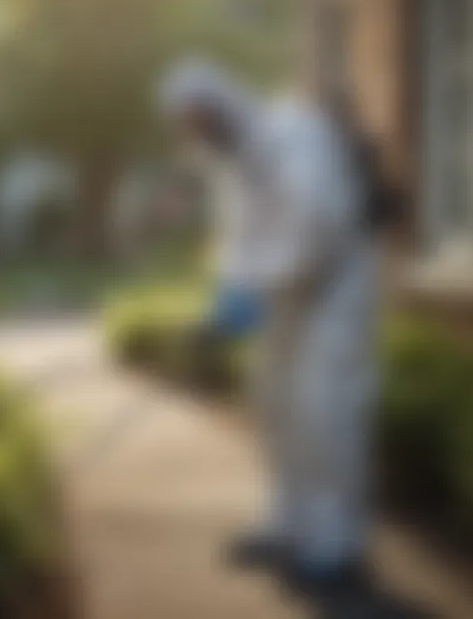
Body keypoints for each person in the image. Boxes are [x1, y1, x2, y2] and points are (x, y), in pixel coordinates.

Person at [160, 59, 392, 597]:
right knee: (272, 400)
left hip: (337, 284)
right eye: (186, 124)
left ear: (223, 103)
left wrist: (251, 293)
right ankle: (288, 525)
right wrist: (222, 304)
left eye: (200, 118)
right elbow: (237, 240)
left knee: (325, 411)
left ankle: (338, 546)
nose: (197, 132)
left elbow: (313, 230)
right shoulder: (230, 163)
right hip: (284, 291)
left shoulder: (294, 136)